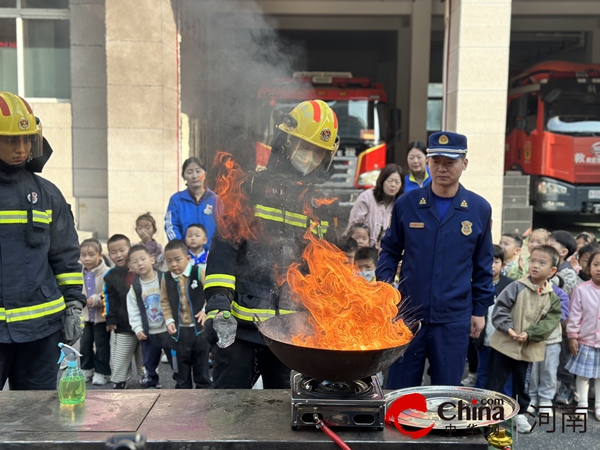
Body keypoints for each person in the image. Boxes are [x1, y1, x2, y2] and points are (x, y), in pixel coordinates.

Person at [203, 99, 340, 389]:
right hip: (242, 328)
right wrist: (218, 303)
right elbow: (225, 250)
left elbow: (324, 270)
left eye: (318, 152)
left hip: (293, 335)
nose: (309, 157)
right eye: (304, 147)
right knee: (230, 413)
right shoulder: (248, 189)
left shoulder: (320, 205)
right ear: (285, 142)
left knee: (286, 416)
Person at [376, 131, 494, 389]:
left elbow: (483, 265)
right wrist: (384, 289)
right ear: (428, 162)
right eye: (436, 161)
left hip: (453, 318)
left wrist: (480, 310)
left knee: (447, 393)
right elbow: (390, 250)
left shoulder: (478, 209)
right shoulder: (407, 204)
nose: (442, 168)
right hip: (407, 314)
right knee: (399, 391)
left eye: (450, 162)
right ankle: (398, 431)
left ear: (464, 163)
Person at [0, 92, 85, 390]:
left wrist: (74, 305)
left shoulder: (47, 194)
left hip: (42, 330)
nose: (21, 149)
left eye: (27, 140)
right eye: (11, 140)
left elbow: (65, 256)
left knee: (39, 421)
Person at [486, 245, 562, 433]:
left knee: (522, 383)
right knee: (495, 380)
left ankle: (519, 414)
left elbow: (550, 322)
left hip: (529, 347)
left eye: (542, 263)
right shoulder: (516, 286)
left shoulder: (552, 297)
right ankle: (488, 414)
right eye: (533, 261)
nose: (535, 265)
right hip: (504, 344)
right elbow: (500, 309)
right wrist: (509, 328)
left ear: (552, 271)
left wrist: (530, 334)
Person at [160, 239, 211, 389]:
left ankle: (204, 395)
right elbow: (164, 301)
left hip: (199, 330)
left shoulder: (198, 272)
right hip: (179, 332)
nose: (173, 265)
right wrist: (169, 320)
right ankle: (183, 397)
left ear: (187, 259)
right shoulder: (166, 278)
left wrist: (204, 311)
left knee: (201, 366)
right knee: (181, 370)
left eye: (177, 260)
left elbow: (211, 294)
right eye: (169, 261)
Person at [126, 245, 173, 389]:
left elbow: (174, 300)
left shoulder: (165, 279)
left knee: (176, 358)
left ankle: (182, 381)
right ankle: (151, 382)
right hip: (149, 333)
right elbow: (132, 309)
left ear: (152, 260)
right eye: (135, 261)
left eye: (143, 259)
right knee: (149, 361)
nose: (140, 263)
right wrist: (137, 328)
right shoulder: (135, 287)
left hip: (168, 329)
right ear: (131, 267)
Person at [104, 234, 144, 389]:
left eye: (122, 250)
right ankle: (120, 379)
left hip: (143, 322)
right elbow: (108, 298)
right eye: (113, 252)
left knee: (144, 354)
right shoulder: (110, 276)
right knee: (121, 354)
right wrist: (110, 318)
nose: (118, 255)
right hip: (123, 323)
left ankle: (146, 377)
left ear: (130, 249)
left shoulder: (141, 270)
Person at [566, 249, 600, 420]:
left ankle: (599, 405)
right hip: (585, 340)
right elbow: (574, 315)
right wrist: (572, 336)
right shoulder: (581, 290)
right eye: (596, 264)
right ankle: (582, 404)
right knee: (583, 374)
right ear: (588, 267)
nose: (599, 268)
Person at [473, 245, 513, 391]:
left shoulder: (510, 285)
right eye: (488, 261)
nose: (491, 265)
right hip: (483, 337)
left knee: (504, 372)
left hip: (503, 338)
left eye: (495, 262)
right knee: (482, 369)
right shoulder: (476, 283)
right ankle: (480, 400)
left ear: (503, 265)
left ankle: (506, 403)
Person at [548, 230, 581, 405]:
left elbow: (564, 290)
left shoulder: (567, 272)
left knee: (564, 360)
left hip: (563, 326)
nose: (546, 246)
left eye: (551, 243)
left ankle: (566, 388)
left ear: (563, 252)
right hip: (548, 324)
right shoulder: (547, 265)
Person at [165, 157, 218, 251]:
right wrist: (181, 248)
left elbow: (223, 227)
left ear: (205, 174)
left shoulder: (215, 199)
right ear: (184, 176)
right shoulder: (176, 200)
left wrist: (214, 249)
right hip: (185, 256)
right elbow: (171, 226)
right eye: (189, 172)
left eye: (198, 171)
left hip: (212, 254)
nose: (194, 176)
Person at [345, 164, 403, 248]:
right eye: (390, 180)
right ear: (382, 180)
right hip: (361, 249)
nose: (393, 185)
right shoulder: (366, 197)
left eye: (397, 182)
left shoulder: (400, 203)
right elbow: (354, 225)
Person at [80, 238, 111, 386]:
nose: (87, 258)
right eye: (83, 255)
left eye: (91, 254)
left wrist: (97, 299)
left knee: (102, 345)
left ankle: (102, 372)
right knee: (85, 344)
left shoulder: (107, 273)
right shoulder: (79, 273)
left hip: (101, 318)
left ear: (100, 255)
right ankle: (87, 368)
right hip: (85, 317)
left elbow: (111, 293)